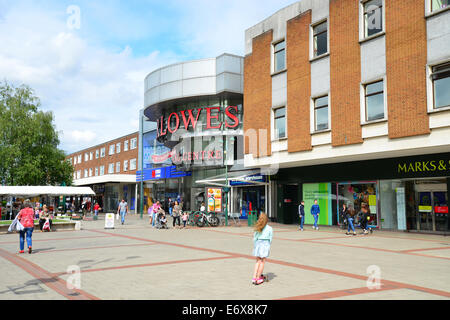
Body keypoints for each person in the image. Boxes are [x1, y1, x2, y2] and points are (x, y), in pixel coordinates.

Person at [252, 213, 273, 285]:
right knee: (262, 262)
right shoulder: (270, 228)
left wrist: (255, 246)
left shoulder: (258, 227)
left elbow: (254, 238)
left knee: (257, 261)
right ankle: (258, 278)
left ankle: (254, 277)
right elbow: (270, 239)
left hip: (258, 243)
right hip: (265, 244)